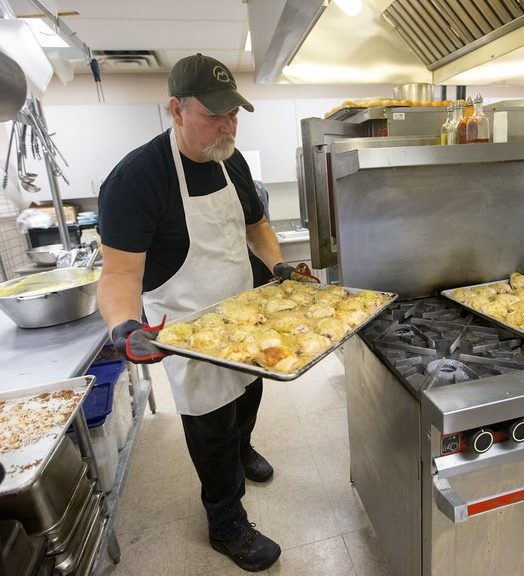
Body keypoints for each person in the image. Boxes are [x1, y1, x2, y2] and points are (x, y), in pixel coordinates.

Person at [96, 53, 295, 573]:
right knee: (210, 424)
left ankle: (243, 448)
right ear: (176, 110)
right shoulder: (138, 178)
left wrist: (278, 268)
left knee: (249, 393)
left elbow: (257, 227)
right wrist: (124, 327)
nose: (226, 126)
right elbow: (118, 276)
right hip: (187, 328)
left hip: (245, 313)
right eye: (214, 115)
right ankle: (225, 520)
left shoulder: (231, 158)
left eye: (233, 114)